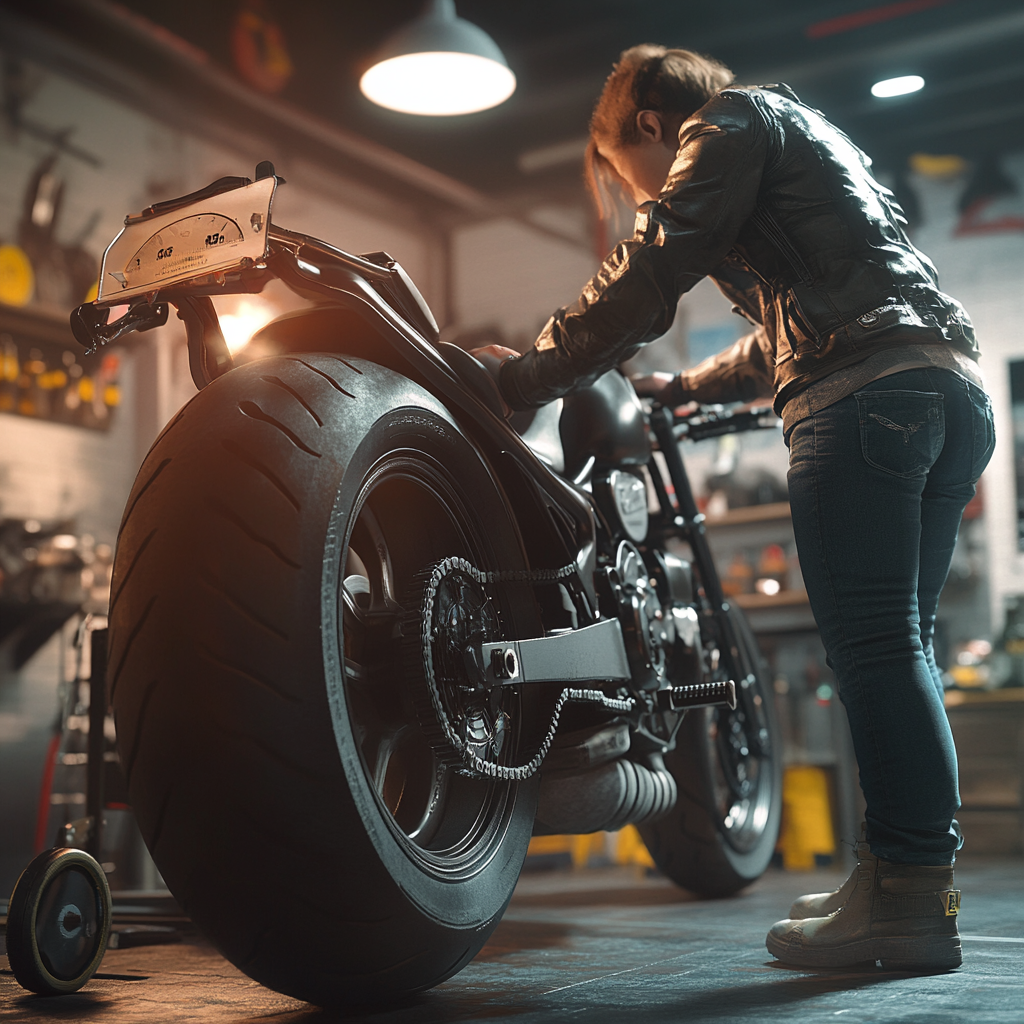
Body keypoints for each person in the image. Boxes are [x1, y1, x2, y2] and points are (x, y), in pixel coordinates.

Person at [474, 44, 994, 971]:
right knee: (900, 651)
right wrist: (693, 386)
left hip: (864, 404)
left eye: (627, 175)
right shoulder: (801, 133)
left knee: (875, 652)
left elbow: (654, 264)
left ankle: (908, 901)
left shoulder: (725, 125)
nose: (638, 191)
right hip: (946, 395)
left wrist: (528, 373)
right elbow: (808, 310)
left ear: (645, 125)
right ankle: (906, 884)